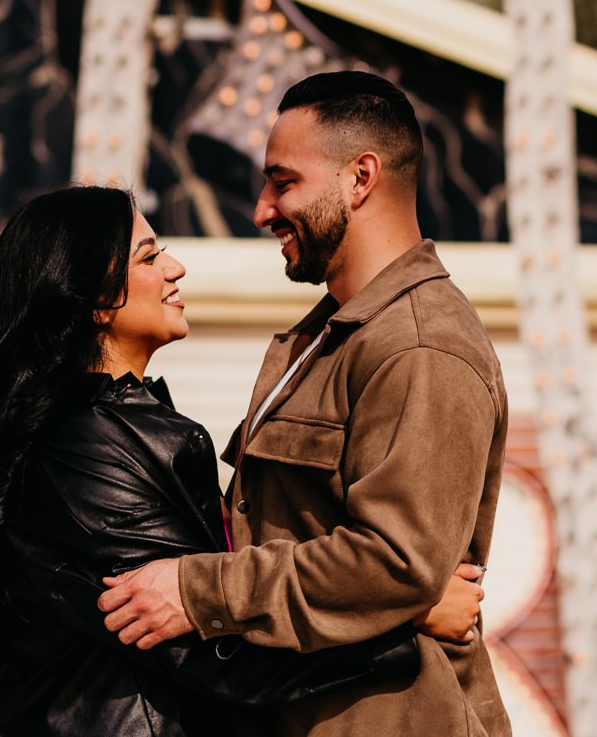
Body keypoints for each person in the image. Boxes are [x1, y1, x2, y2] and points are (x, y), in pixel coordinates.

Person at [0, 185, 484, 736]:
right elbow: (208, 651)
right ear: (94, 301)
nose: (176, 268)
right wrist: (407, 622)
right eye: (149, 256)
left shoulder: (105, 431)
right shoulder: (83, 448)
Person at [96, 71, 513, 736]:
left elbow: (397, 562)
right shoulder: (333, 335)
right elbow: (381, 568)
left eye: (282, 181)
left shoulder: (420, 343)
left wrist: (202, 591)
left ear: (360, 178)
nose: (261, 208)